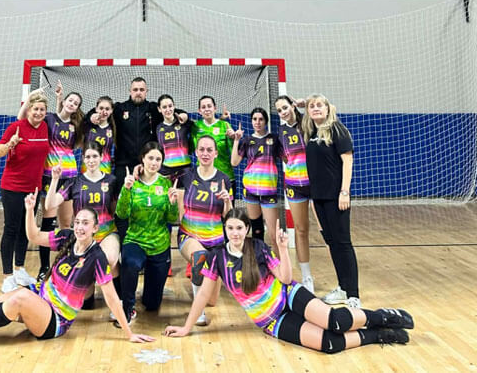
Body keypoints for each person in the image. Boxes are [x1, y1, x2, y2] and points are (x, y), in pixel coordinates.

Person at [164, 208, 414, 353]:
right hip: (271, 320)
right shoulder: (217, 258)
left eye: (239, 228)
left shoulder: (259, 248)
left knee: (335, 321)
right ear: (225, 229)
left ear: (247, 229)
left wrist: (283, 249)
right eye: (230, 228)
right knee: (329, 343)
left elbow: (285, 278)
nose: (235, 233)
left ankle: (381, 317)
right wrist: (186, 327)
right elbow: (203, 295)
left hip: (289, 296)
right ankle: (379, 336)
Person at [0, 205, 153, 347]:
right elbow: (33, 236)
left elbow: (111, 298)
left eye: (85, 223)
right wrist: (30, 210)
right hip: (39, 298)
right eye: (77, 222)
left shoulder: (97, 257)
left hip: (55, 320)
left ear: (96, 228)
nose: (79, 226)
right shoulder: (66, 237)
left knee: (19, 297)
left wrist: (129, 333)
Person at [18, 81, 84, 280]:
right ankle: (44, 268)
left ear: (77, 108)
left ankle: (66, 266)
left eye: (76, 103)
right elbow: (22, 118)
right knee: (48, 225)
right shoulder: (48, 118)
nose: (72, 104)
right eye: (70, 100)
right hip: (50, 177)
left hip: (70, 178)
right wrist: (31, 97)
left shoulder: (76, 126)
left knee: (66, 225)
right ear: (64, 101)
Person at [45, 142, 121, 307]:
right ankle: (89, 290)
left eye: (95, 156)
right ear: (83, 159)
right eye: (88, 157)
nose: (91, 160)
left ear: (101, 157)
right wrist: (55, 179)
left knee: (109, 258)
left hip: (106, 232)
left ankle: (118, 298)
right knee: (86, 306)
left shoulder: (112, 180)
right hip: (83, 237)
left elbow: (116, 209)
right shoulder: (75, 182)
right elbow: (50, 204)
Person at [302, 95, 359, 308]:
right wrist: (300, 104)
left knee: (343, 243)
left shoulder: (337, 129)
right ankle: (342, 288)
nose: (316, 108)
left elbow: (347, 161)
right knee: (332, 243)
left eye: (320, 105)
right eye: (312, 106)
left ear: (328, 108)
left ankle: (353, 294)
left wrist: (344, 192)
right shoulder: (311, 132)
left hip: (336, 197)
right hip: (319, 197)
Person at [116, 141, 179, 325]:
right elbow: (121, 214)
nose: (154, 162)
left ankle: (148, 296)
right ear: (142, 159)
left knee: (152, 304)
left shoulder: (166, 183)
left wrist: (173, 203)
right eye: (150, 158)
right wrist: (126, 190)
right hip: (135, 240)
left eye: (158, 159)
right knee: (130, 263)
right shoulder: (132, 182)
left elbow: (172, 218)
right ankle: (127, 307)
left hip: (159, 244)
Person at [0, 89, 50, 292]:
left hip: (33, 188)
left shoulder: (45, 127)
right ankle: (7, 276)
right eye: (35, 109)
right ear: (28, 110)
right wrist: (10, 144)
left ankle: (19, 269)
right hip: (13, 187)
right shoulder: (16, 127)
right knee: (11, 228)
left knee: (25, 229)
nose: (38, 113)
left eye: (42, 110)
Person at [177, 135, 232, 326]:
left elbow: (229, 217)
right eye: (201, 149)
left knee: (211, 301)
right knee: (199, 257)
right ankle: (197, 311)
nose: (205, 153)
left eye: (209, 150)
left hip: (215, 241)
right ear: (196, 153)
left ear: (216, 153)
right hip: (189, 236)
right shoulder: (186, 176)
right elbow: (180, 211)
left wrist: (227, 201)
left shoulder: (224, 179)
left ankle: (201, 288)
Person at [274, 96, 314, 292]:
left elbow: (327, 111)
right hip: (294, 185)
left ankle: (343, 281)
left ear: (292, 105)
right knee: (301, 229)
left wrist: (306, 103)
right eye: (279, 110)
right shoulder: (281, 132)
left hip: (316, 183)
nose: (283, 112)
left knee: (325, 230)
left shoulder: (308, 122)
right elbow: (285, 158)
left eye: (285, 107)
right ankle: (307, 277)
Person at [231, 107, 281, 255]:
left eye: (261, 119)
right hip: (251, 190)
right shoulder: (247, 141)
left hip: (268, 191)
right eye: (254, 119)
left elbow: (286, 158)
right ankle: (259, 261)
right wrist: (236, 140)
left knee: (274, 234)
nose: (257, 122)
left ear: (266, 121)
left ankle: (279, 264)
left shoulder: (274, 139)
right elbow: (234, 162)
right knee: (257, 230)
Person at [190, 96, 235, 191]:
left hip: (224, 176)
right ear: (199, 111)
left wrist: (235, 139)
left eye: (209, 106)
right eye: (203, 107)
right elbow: (191, 149)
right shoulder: (195, 127)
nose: (206, 109)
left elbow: (234, 154)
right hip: (202, 178)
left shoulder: (225, 126)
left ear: (215, 108)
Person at [156, 94, 191, 186]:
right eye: (164, 107)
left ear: (174, 106)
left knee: (185, 195)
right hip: (166, 170)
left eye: (170, 106)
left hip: (185, 169)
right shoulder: (158, 128)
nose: (168, 109)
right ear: (159, 109)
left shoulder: (184, 123)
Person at [82, 96, 116, 175]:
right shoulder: (88, 125)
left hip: (105, 168)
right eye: (101, 108)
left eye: (107, 109)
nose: (104, 112)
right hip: (87, 168)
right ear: (96, 109)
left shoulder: (113, 128)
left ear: (111, 111)